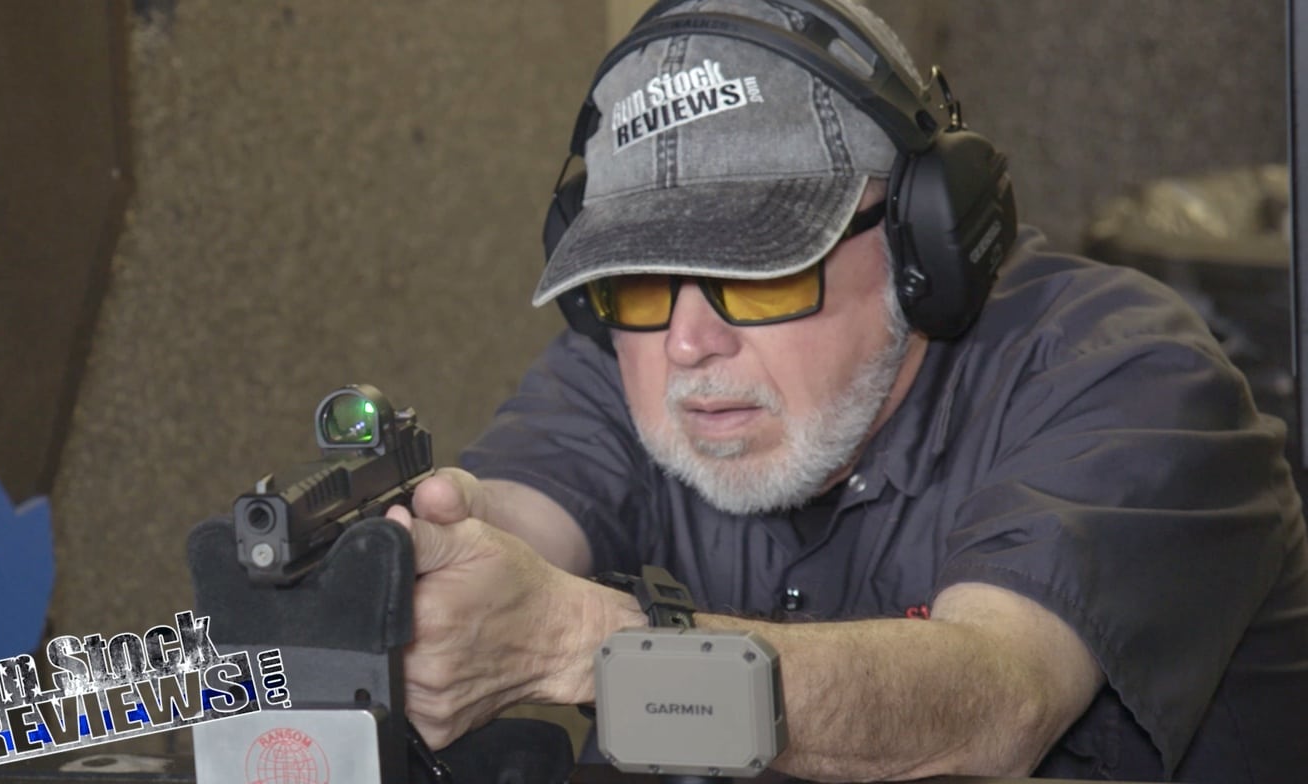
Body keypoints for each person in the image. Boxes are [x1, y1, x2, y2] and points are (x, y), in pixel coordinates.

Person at [385, 1, 1308, 780]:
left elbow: (996, 696)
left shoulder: (1126, 376)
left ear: (923, 247)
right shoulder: (636, 360)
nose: (691, 342)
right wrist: (420, 566)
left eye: (759, 275)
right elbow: (509, 522)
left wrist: (577, 640)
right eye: (638, 283)